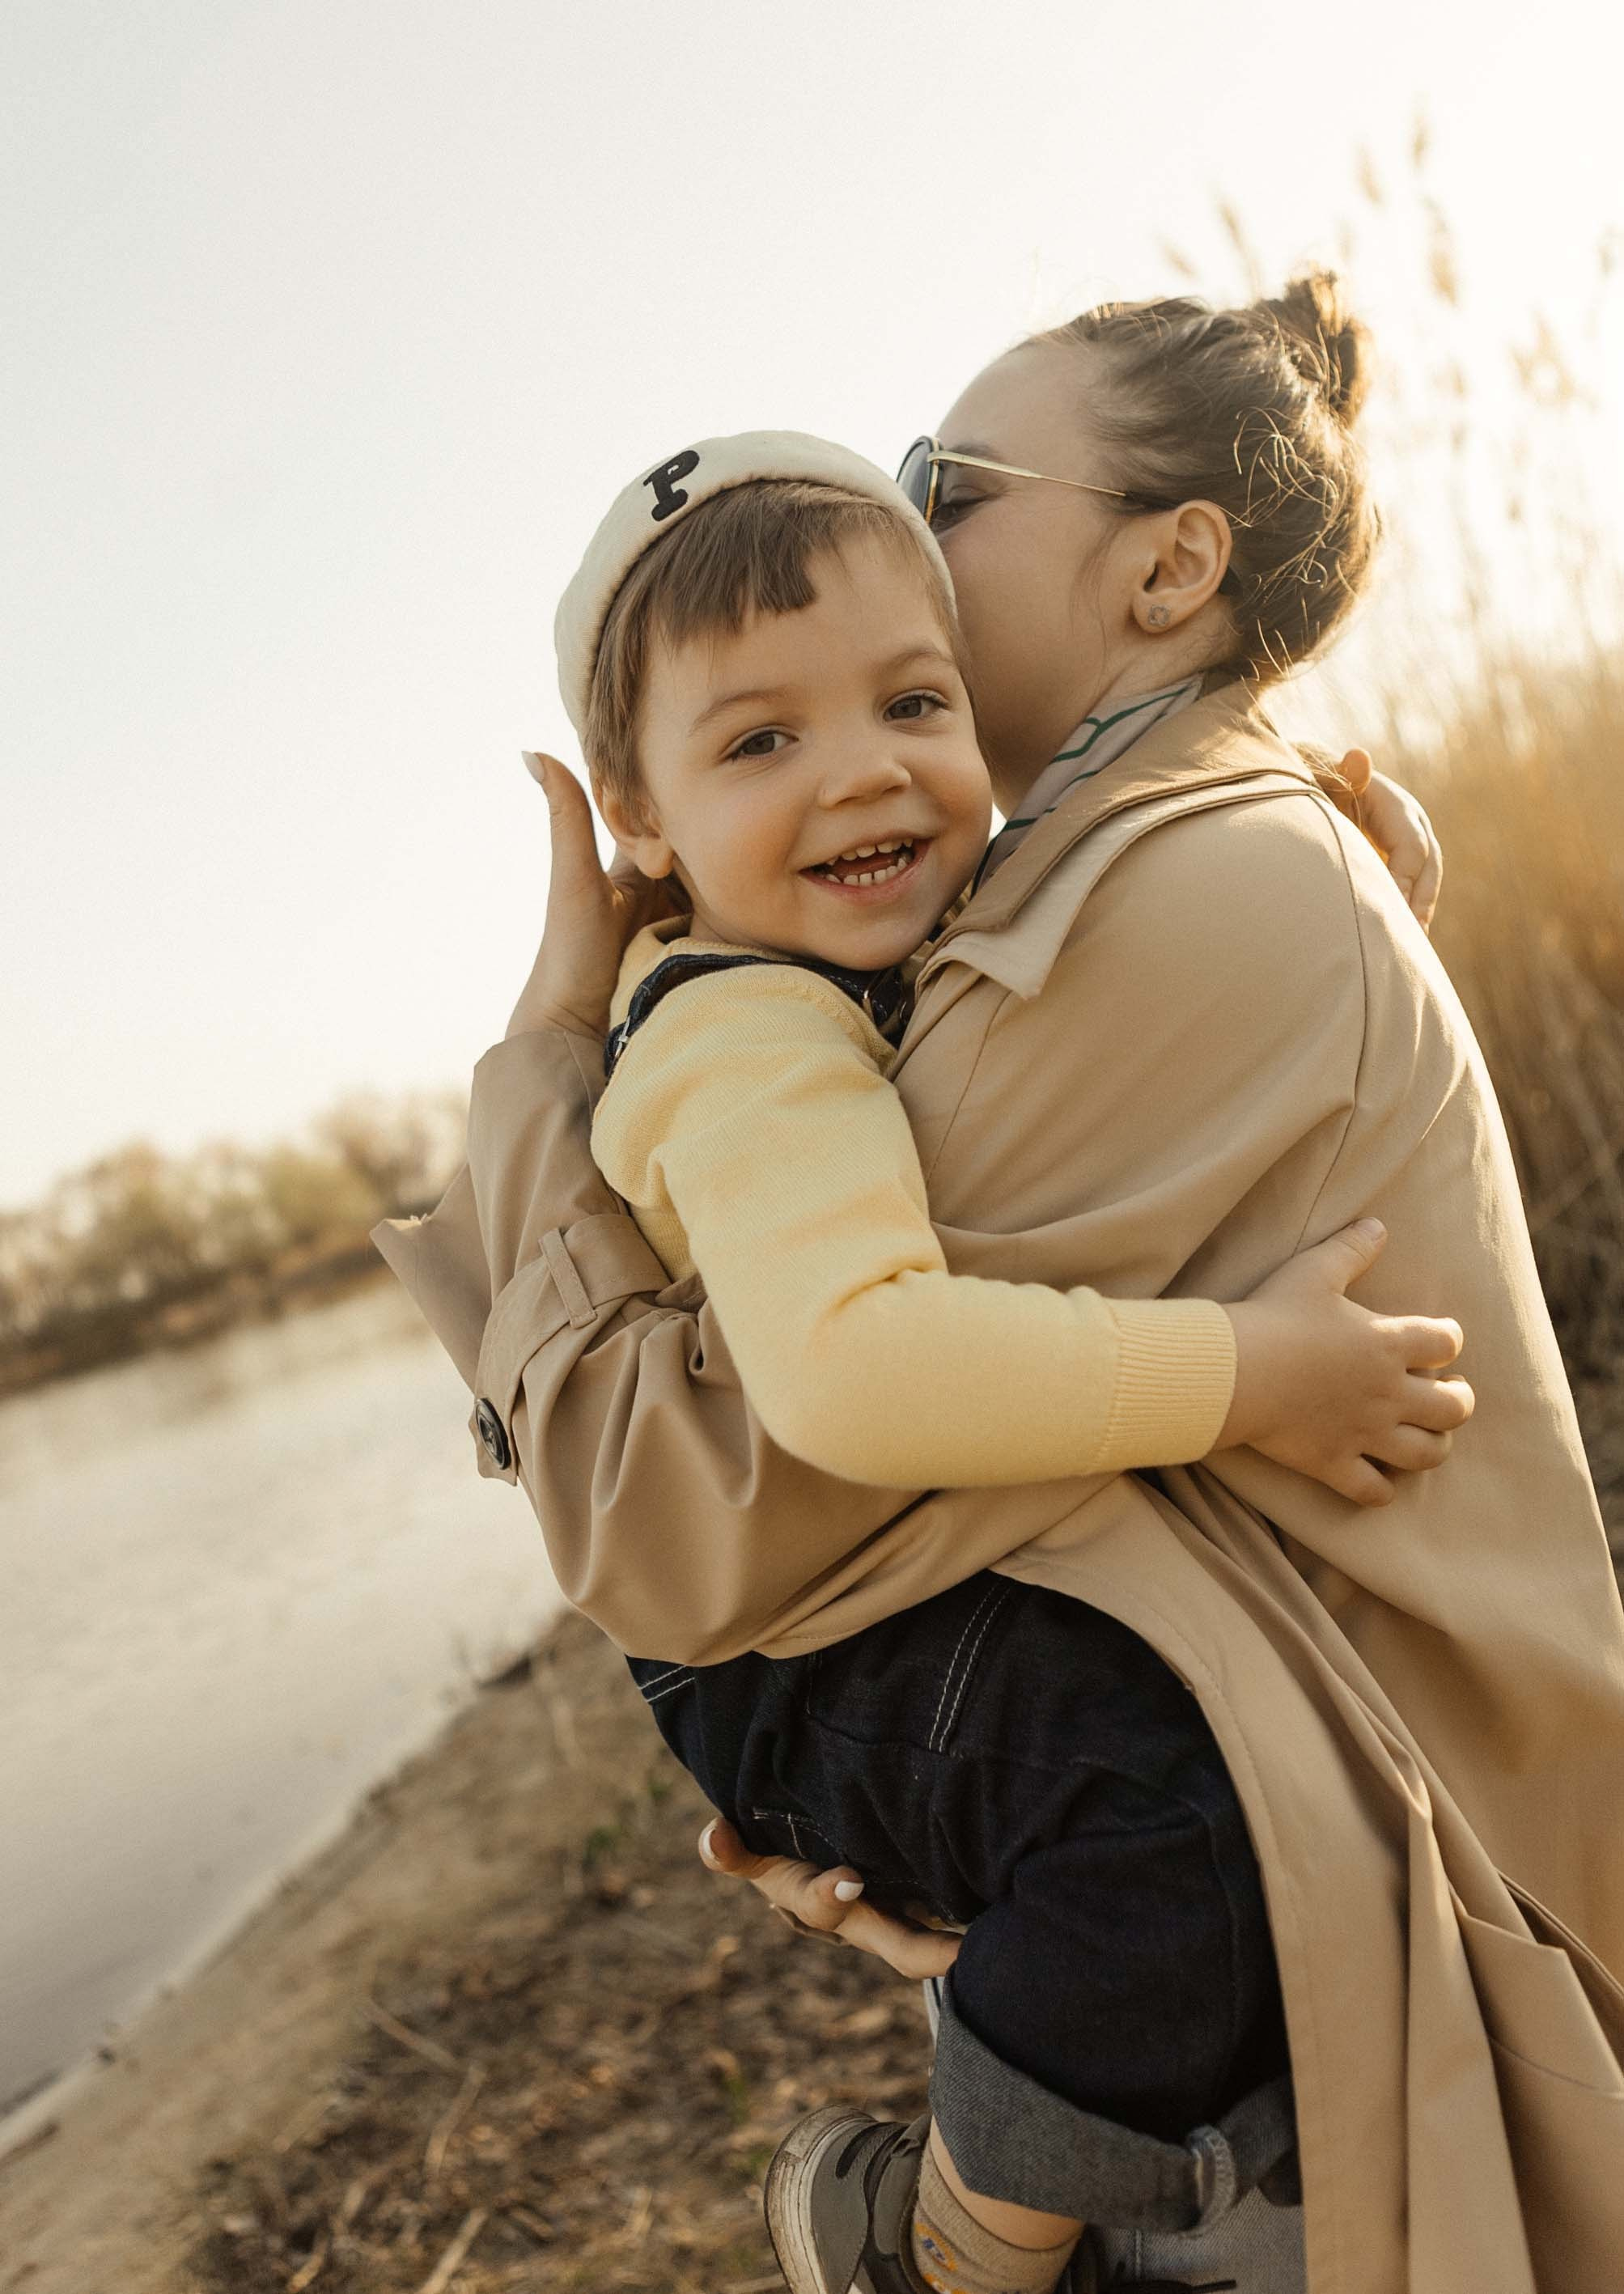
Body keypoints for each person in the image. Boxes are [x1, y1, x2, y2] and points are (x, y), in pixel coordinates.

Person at [375, 274, 1624, 2293]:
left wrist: (538, 1064)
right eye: (761, 728)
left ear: (1166, 568)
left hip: (1367, 1945)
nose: (903, 517)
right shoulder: (1095, 877)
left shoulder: (1172, 889)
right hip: (1312, 1902)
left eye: (943, 482)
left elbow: (659, 1503)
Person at [529, 435, 1471, 2294]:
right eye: (758, 740)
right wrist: (1248, 1374)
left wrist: (1339, 909)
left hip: (875, 1575)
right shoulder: (741, 1042)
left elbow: (1087, 1077)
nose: (861, 768)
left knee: (1217, 1812)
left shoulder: (867, 949)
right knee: (1170, 1830)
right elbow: (858, 1371)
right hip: (795, 1639)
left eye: (912, 701)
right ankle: (946, 2244)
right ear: (635, 818)